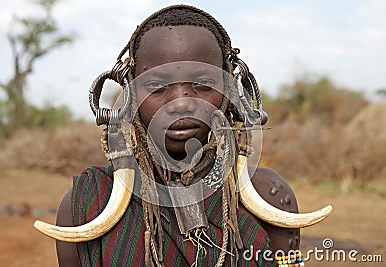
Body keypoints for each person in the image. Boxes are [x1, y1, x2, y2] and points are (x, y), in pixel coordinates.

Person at [44, 5, 327, 267]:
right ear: (130, 93)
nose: (180, 103)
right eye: (156, 85)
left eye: (203, 84)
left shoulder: (270, 196)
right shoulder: (87, 202)